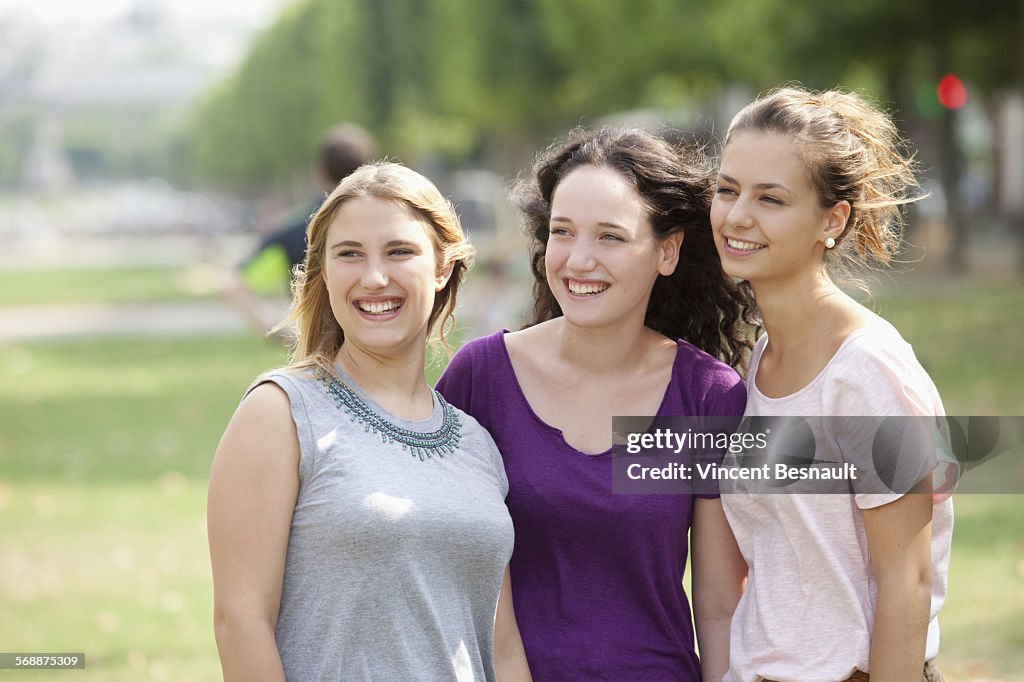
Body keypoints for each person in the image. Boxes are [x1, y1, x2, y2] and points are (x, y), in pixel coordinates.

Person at [436, 127, 752, 681]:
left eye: (610, 237)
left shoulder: (706, 395)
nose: (579, 260)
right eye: (563, 232)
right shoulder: (481, 378)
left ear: (667, 251)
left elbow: (720, 607)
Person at [208, 162, 532, 681]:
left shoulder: (477, 442)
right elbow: (240, 623)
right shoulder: (281, 413)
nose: (374, 277)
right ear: (326, 272)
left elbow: (505, 648)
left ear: (443, 267)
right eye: (349, 254)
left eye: (399, 251)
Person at [710, 86, 954, 681]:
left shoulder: (866, 371)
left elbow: (908, 579)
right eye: (727, 189)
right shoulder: (757, 361)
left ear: (832, 219)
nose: (737, 215)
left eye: (771, 198)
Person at [223, 123, 377, 341]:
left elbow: (232, 284)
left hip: (316, 349)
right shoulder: (387, 224)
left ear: (320, 171)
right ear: (369, 168)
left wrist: (281, 333)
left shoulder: (294, 226)